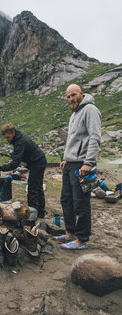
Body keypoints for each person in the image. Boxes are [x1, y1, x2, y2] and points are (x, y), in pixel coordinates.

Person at [53, 84, 101, 250]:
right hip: (71, 163)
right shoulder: (74, 113)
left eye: (73, 95)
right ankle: (70, 233)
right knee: (66, 200)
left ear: (81, 93)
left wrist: (89, 163)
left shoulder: (90, 110)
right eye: (68, 97)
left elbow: (95, 138)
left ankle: (82, 239)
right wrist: (66, 158)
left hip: (83, 164)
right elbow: (72, 140)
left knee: (81, 202)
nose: (71, 99)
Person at [0, 123, 47, 218]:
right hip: (38, 162)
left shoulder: (20, 142)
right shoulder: (18, 139)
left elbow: (15, 164)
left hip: (37, 163)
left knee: (33, 189)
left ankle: (32, 215)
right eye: (5, 138)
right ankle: (40, 213)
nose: (7, 140)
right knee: (38, 188)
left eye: (8, 137)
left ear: (13, 133)